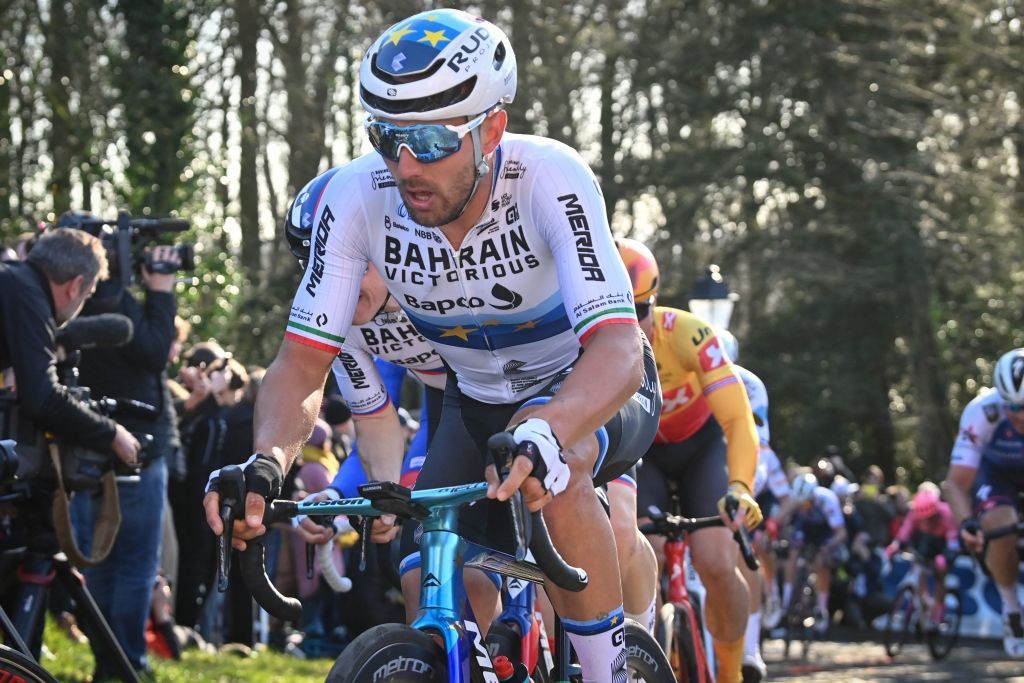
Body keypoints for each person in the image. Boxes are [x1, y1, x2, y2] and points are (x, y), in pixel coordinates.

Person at [204, 9, 662, 680]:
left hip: (586, 392)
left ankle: (605, 671)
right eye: (386, 137)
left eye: (428, 139)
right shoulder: (358, 195)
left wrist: (548, 423)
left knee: (557, 473)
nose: (405, 163)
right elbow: (304, 359)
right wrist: (267, 460)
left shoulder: (551, 176)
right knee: (431, 572)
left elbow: (619, 352)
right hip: (475, 404)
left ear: (493, 129)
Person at [617, 239, 762, 683]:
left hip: (702, 447)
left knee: (717, 561)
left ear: (655, 303)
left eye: (640, 311)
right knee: (643, 550)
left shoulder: (690, 334)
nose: (632, 324)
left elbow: (738, 419)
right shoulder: (586, 342)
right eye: (618, 311)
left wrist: (740, 486)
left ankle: (732, 671)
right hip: (645, 454)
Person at [0, 228, 140, 659]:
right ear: (76, 284)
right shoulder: (24, 291)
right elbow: (41, 396)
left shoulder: (12, 281)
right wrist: (112, 432)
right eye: (90, 292)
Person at [68, 225, 182, 679]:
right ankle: (126, 662)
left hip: (89, 448)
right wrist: (161, 290)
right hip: (137, 448)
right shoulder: (113, 302)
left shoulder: (72, 303)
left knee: (100, 562)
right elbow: (156, 352)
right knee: (135, 563)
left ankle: (106, 662)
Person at [943, 347, 1024, 657]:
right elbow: (955, 483)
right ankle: (1011, 609)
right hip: (995, 473)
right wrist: (967, 523)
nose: (1020, 416)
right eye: (1013, 407)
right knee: (1000, 528)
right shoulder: (982, 412)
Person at [733, 358, 790, 681]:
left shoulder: (751, 385)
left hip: (752, 475)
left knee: (747, 549)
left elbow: (785, 498)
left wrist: (771, 521)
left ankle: (750, 647)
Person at [781, 471, 847, 635]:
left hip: (825, 532)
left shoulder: (828, 500)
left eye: (807, 503)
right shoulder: (794, 499)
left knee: (821, 562)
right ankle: (786, 600)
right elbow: (782, 520)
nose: (804, 506)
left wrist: (828, 547)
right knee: (793, 555)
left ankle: (821, 608)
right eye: (801, 503)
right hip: (804, 529)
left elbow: (840, 533)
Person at [885, 482, 958, 629]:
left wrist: (948, 556)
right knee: (919, 569)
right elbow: (906, 530)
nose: (926, 521)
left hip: (941, 546)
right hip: (923, 543)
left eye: (930, 518)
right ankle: (923, 602)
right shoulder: (915, 512)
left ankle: (938, 610)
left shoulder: (946, 514)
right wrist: (896, 545)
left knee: (940, 569)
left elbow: (953, 540)